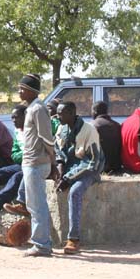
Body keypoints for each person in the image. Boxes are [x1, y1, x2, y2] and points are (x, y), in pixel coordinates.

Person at [54, 101, 105, 254]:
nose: (57, 116)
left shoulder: (89, 130)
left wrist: (68, 178)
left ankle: (73, 239)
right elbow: (58, 149)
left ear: (71, 113)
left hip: (89, 170)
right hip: (70, 168)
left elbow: (92, 162)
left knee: (75, 192)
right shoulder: (61, 128)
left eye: (61, 113)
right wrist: (60, 166)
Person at [18, 73, 57, 257]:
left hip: (36, 163)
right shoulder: (32, 108)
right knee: (33, 205)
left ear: (30, 91)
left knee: (37, 205)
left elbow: (46, 137)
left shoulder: (38, 109)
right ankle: (41, 243)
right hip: (30, 162)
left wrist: (53, 160)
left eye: (22, 89)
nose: (19, 92)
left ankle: (42, 245)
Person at [90, 100, 123, 174]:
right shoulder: (117, 125)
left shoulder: (92, 125)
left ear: (95, 111)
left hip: (100, 167)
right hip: (116, 167)